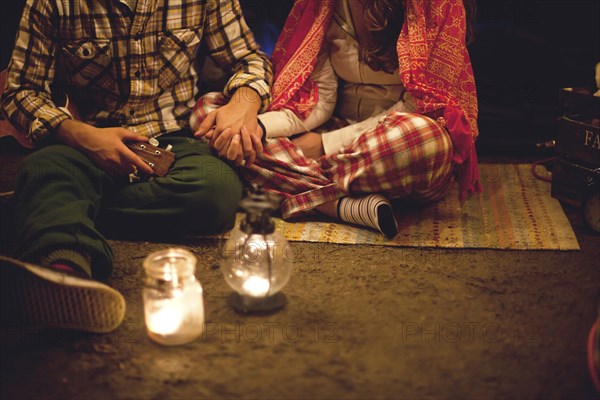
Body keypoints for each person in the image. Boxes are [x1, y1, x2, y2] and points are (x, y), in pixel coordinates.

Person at [0, 0, 272, 332]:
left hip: (174, 139)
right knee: (43, 169)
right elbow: (20, 91)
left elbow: (248, 60)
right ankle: (64, 273)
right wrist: (80, 134)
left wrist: (243, 102)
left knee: (216, 190)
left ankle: (56, 214)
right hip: (88, 139)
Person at [193, 0, 480, 238]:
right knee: (211, 113)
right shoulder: (327, 5)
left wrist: (323, 145)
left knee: (423, 139)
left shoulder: (434, 6)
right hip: (343, 147)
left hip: (390, 147)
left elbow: (419, 106)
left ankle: (279, 184)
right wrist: (256, 128)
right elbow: (319, 100)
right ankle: (339, 205)